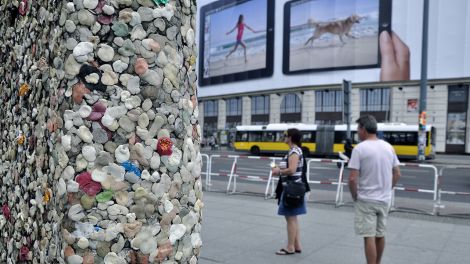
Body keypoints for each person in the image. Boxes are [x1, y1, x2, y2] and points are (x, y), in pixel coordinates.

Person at [348, 115, 401, 264]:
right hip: (384, 200)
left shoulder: (359, 149)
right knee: (380, 234)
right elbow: (397, 173)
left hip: (366, 200)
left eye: (358, 128)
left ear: (363, 129)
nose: (357, 132)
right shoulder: (388, 147)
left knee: (368, 236)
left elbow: (352, 178)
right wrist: (387, 189)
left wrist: (354, 196)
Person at [271, 128, 309, 255]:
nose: (283, 137)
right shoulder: (294, 150)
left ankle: (290, 247)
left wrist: (278, 171)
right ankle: (297, 245)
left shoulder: (294, 151)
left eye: (285, 135)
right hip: (293, 188)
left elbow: (292, 170)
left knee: (290, 219)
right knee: (293, 219)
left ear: (291, 137)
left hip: (291, 189)